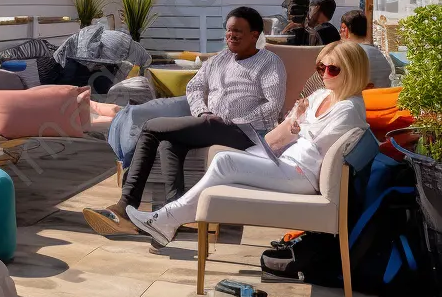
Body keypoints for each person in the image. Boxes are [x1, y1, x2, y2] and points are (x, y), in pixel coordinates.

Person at [125, 40, 369, 246]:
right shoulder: (322, 95)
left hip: (301, 174)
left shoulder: (348, 109)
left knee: (225, 162)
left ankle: (168, 219)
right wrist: (296, 121)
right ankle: (168, 219)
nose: (324, 74)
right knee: (226, 161)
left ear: (352, 70)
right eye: (320, 67)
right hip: (288, 160)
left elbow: (317, 147)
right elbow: (295, 127)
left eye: (333, 70)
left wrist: (299, 125)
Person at [84, 7, 286, 236]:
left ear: (255, 34)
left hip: (246, 131)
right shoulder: (220, 59)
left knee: (151, 128)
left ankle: (124, 207)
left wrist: (232, 121)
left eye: (238, 31)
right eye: (228, 31)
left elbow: (273, 105)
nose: (231, 36)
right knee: (169, 143)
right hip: (212, 123)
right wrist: (202, 113)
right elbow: (195, 86)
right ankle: (174, 216)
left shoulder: (270, 63)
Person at [339, 9, 392, 89]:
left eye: (341, 29)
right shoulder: (379, 53)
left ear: (345, 30)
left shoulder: (347, 53)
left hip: (359, 99)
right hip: (383, 98)